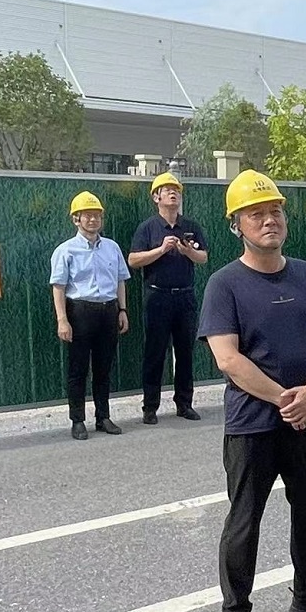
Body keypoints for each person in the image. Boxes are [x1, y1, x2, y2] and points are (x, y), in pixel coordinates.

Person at [199, 170, 306, 612]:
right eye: (256, 215)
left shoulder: (305, 274)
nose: (270, 221)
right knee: (245, 518)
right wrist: (286, 399)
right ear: (237, 225)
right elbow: (228, 359)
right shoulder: (224, 284)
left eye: (275, 212)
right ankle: (236, 609)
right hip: (254, 425)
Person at [128, 172, 209, 424]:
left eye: (176, 190)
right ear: (156, 197)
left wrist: (187, 252)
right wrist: (161, 250)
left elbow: (203, 257)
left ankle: (184, 404)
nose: (173, 193)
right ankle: (150, 407)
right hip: (157, 297)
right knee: (155, 353)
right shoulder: (148, 227)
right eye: (167, 190)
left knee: (185, 353)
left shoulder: (191, 227)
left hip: (184, 296)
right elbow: (133, 260)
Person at [49, 191, 131, 441]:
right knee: (78, 369)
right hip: (80, 312)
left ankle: (103, 417)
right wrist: (62, 320)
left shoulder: (112, 248)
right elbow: (59, 287)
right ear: (76, 219)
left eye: (97, 215)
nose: (93, 220)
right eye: (88, 215)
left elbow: (120, 280)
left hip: (108, 310)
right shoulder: (66, 250)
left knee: (104, 368)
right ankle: (77, 420)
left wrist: (122, 310)